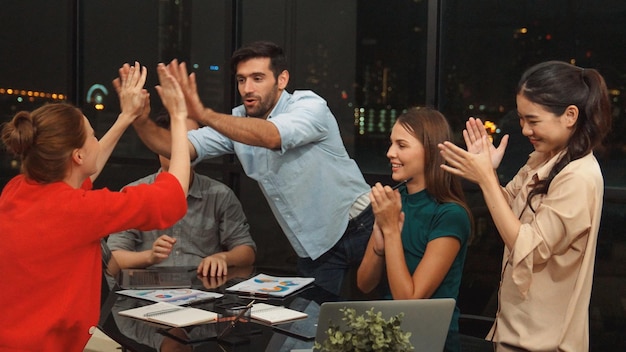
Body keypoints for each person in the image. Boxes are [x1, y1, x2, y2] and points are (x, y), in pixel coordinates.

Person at [131, 41, 373, 296]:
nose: (247, 88)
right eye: (241, 80)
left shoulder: (309, 106)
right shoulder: (237, 124)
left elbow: (271, 136)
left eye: (257, 78)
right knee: (307, 332)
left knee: (385, 320)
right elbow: (176, 148)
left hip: (362, 225)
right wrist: (138, 120)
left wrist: (202, 113)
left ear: (282, 80)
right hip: (315, 249)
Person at [0, 61, 191, 351]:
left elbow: (84, 171)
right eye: (91, 135)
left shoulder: (15, 191)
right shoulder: (81, 211)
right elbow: (174, 193)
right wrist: (179, 117)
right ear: (77, 155)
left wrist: (126, 117)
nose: (95, 141)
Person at [438, 60, 612, 351]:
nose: (524, 130)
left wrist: (486, 180)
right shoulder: (544, 159)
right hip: (515, 330)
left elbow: (528, 247)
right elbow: (509, 211)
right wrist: (488, 176)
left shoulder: (579, 176)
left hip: (545, 341)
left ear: (570, 115)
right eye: (520, 120)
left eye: (533, 120)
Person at [356, 107, 472, 352]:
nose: (390, 153)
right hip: (386, 338)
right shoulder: (397, 201)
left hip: (431, 341)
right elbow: (364, 284)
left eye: (402, 145)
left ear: (430, 151)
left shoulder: (450, 215)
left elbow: (408, 301)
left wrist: (390, 232)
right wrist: (379, 244)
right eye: (391, 144)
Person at [108, 112, 256, 277]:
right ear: (159, 145)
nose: (187, 149)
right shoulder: (135, 193)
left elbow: (247, 251)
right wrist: (149, 257)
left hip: (203, 286)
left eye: (194, 143)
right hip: (149, 287)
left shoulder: (219, 194)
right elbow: (114, 257)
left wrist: (223, 257)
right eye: (180, 142)